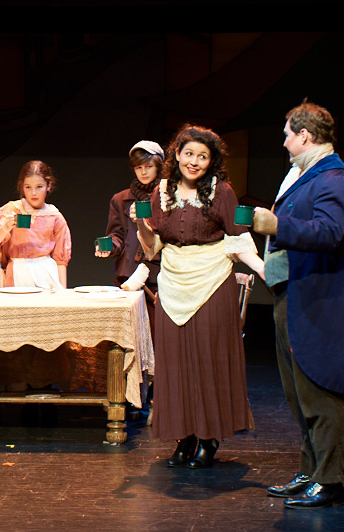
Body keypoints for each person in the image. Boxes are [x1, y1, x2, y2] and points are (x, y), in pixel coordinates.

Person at [253, 100, 344, 509]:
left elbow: (330, 231)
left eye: (287, 135)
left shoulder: (334, 178)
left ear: (305, 135)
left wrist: (277, 225)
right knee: (298, 393)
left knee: (319, 389)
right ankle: (312, 470)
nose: (283, 142)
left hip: (317, 298)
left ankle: (330, 481)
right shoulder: (305, 175)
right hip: (293, 292)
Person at [135, 125, 265, 468]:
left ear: (212, 162)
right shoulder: (162, 192)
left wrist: (265, 270)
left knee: (209, 360)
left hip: (211, 281)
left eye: (202, 157)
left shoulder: (222, 192)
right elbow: (151, 247)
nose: (194, 162)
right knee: (175, 364)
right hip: (173, 283)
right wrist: (141, 225)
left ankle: (209, 437)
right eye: (189, 153)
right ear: (176, 155)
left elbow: (238, 238)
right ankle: (184, 437)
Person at [96, 140, 164, 416]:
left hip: (158, 277)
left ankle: (159, 398)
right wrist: (109, 247)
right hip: (128, 278)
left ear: (159, 166)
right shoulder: (121, 199)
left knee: (158, 341)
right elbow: (118, 236)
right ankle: (129, 398)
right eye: (138, 167)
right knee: (128, 341)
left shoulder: (167, 196)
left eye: (148, 166)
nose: (143, 172)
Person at [0, 160, 71, 289]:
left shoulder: (54, 216)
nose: (33, 193)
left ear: (48, 186)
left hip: (45, 272)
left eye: (39, 187)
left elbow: (60, 259)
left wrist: (63, 291)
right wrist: (5, 226)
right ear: (22, 186)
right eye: (28, 187)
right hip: (17, 271)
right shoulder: (12, 210)